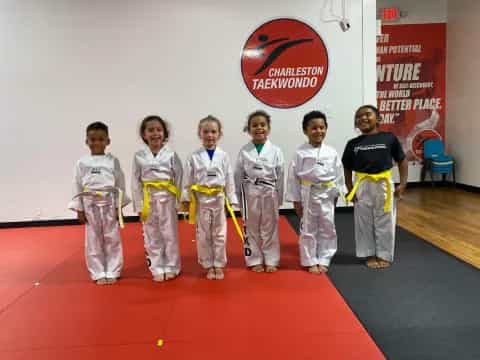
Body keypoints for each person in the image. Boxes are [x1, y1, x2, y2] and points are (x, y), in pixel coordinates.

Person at [342, 105, 408, 269]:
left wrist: (403, 183)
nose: (362, 118)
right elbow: (347, 167)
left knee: (385, 220)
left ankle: (384, 254)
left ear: (378, 119)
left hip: (383, 184)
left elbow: (402, 160)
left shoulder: (388, 138)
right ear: (355, 124)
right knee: (363, 221)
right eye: (358, 117)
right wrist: (350, 188)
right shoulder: (353, 144)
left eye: (367, 114)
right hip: (362, 184)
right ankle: (369, 254)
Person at [68, 122, 130, 285]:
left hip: (109, 202)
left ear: (107, 141)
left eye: (101, 139)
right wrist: (79, 208)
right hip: (90, 203)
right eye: (93, 139)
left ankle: (113, 270)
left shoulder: (113, 161)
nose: (96, 143)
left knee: (112, 237)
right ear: (86, 141)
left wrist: (119, 207)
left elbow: (120, 184)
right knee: (93, 239)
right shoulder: (82, 162)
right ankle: (97, 271)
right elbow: (77, 184)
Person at [181, 115, 239, 280]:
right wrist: (186, 199)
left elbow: (229, 178)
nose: (209, 135)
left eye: (213, 131)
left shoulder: (224, 156)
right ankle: (208, 264)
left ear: (219, 134)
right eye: (206, 131)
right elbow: (187, 179)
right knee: (203, 234)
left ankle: (218, 264)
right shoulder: (194, 157)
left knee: (220, 233)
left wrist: (232, 199)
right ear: (200, 134)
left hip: (219, 198)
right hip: (201, 199)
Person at [286, 111, 344, 274]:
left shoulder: (331, 152)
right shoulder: (300, 152)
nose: (318, 131)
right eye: (314, 128)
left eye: (322, 127)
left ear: (326, 129)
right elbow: (293, 178)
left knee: (328, 226)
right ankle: (309, 259)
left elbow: (338, 175)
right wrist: (296, 201)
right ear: (305, 131)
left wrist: (337, 194)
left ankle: (325, 257)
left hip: (327, 193)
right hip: (308, 194)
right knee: (308, 228)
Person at [131, 115, 183, 282]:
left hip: (167, 198)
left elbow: (179, 177)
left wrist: (180, 201)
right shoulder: (139, 156)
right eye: (150, 130)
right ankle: (157, 266)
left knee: (170, 233)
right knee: (152, 233)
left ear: (164, 133)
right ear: (144, 134)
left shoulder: (171, 155)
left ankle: (172, 266)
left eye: (159, 130)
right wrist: (139, 206)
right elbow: (135, 182)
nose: (155, 133)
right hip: (148, 199)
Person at [234, 110, 284, 273]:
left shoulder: (276, 150)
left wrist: (280, 197)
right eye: (254, 125)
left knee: (270, 226)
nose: (259, 128)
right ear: (248, 130)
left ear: (268, 128)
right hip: (250, 192)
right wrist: (238, 197)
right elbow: (238, 175)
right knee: (251, 226)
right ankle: (254, 259)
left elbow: (281, 174)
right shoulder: (244, 151)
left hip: (270, 191)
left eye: (263, 125)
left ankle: (271, 259)